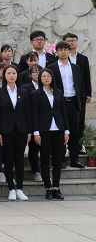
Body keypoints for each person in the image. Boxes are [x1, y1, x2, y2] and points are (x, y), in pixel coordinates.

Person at [0, 64, 31, 201]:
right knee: (8, 160)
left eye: (14, 73)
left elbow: (28, 113)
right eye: (8, 73)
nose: (11, 76)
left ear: (17, 75)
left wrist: (29, 131)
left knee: (19, 159)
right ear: (4, 75)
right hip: (6, 130)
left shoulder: (23, 92)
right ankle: (11, 188)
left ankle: (20, 188)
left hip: (21, 129)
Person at [32, 69, 69, 200]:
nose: (46, 78)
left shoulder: (58, 93)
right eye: (43, 76)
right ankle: (48, 187)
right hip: (43, 129)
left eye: (48, 76)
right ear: (40, 78)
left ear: (52, 78)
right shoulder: (36, 94)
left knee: (57, 159)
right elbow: (34, 114)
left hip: (58, 128)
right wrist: (36, 132)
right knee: (45, 158)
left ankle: (56, 187)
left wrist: (66, 130)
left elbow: (63, 112)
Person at [47, 41, 85, 169]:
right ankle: (61, 159)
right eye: (60, 50)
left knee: (74, 131)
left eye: (65, 49)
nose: (63, 52)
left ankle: (74, 158)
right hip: (59, 102)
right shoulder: (52, 68)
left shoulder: (75, 67)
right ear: (56, 52)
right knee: (60, 131)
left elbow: (78, 85)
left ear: (69, 51)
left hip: (73, 102)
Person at [63, 32, 92, 153]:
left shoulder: (83, 58)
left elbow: (87, 76)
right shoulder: (61, 58)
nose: (71, 42)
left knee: (79, 121)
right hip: (65, 95)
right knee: (64, 121)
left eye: (73, 40)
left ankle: (78, 147)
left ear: (77, 42)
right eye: (68, 40)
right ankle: (63, 147)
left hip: (80, 95)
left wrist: (88, 93)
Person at [20, 64, 43, 182]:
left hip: (44, 121)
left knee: (45, 148)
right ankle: (36, 171)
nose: (37, 74)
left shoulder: (47, 87)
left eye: (39, 72)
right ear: (30, 75)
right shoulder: (25, 88)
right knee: (33, 148)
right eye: (35, 72)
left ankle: (44, 169)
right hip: (30, 120)